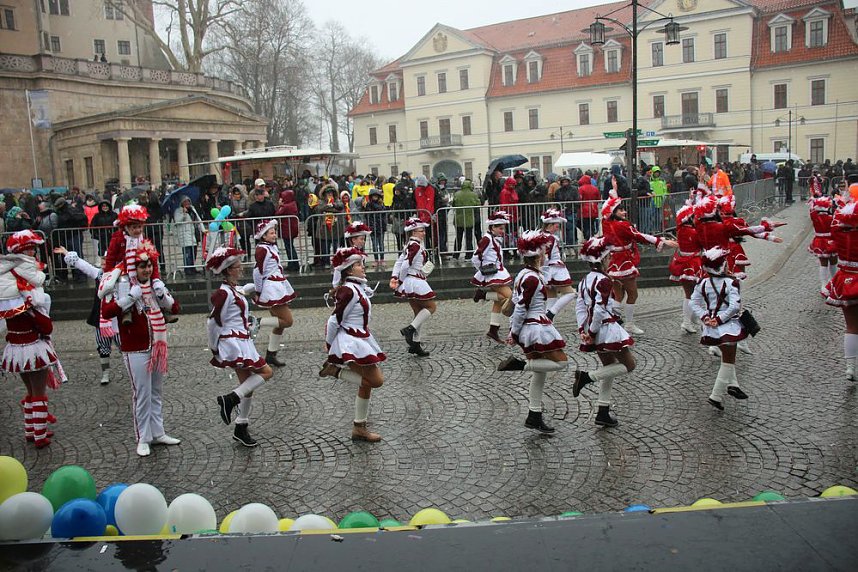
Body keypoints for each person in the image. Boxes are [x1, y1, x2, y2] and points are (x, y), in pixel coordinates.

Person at [102, 242, 181, 456]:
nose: (146, 270)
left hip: (158, 344)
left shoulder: (156, 284)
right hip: (135, 348)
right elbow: (107, 310)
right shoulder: (123, 285)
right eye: (141, 266)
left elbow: (174, 308)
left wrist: (163, 295)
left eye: (148, 266)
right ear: (133, 268)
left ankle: (158, 432)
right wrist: (129, 298)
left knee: (156, 391)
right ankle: (142, 437)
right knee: (142, 393)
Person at [496, 230, 567, 434]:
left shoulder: (526, 274)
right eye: (543, 252)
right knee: (561, 362)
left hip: (533, 325)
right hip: (535, 327)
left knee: (540, 372)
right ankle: (519, 365)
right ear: (537, 255)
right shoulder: (532, 278)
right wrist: (514, 332)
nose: (546, 254)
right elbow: (521, 307)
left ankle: (534, 415)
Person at [0, 230, 63, 448]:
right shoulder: (27, 293)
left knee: (29, 391)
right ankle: (39, 435)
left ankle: (30, 429)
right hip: (33, 347)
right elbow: (44, 325)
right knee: (38, 392)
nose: (34, 253)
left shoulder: (7, 290)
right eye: (31, 250)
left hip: (15, 348)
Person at [207, 246, 274, 447]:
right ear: (228, 270)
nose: (241, 268)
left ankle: (241, 426)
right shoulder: (223, 293)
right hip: (234, 342)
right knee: (266, 372)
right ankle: (230, 399)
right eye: (237, 266)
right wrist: (214, 348)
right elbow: (213, 322)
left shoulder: (232, 289)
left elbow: (241, 290)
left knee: (248, 385)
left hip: (241, 340)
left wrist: (256, 286)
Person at [318, 247, 386, 442]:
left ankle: (359, 427)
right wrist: (330, 346)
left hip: (360, 338)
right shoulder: (349, 289)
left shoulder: (356, 287)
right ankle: (335, 371)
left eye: (362, 263)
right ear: (348, 269)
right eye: (358, 264)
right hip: (350, 341)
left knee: (367, 384)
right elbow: (334, 320)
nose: (362, 267)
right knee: (375, 381)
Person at [571, 236, 636, 427]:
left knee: (610, 368)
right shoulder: (604, 280)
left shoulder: (584, 280)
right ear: (604, 259)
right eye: (609, 257)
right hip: (605, 329)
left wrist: (583, 329)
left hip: (595, 329)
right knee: (629, 365)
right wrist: (590, 332)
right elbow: (599, 309)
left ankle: (603, 410)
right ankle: (586, 377)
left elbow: (580, 307)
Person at [601, 185, 678, 335]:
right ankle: (627, 324)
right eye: (620, 210)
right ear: (614, 213)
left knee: (619, 295)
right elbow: (639, 236)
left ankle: (611, 319)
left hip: (613, 262)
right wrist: (661, 241)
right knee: (633, 294)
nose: (624, 212)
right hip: (624, 262)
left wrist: (614, 191)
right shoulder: (622, 225)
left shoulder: (607, 224)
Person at [690, 247, 749, 410]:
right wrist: (719, 319)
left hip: (711, 327)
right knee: (728, 361)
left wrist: (705, 317)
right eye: (725, 262)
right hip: (728, 326)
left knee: (727, 356)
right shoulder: (732, 282)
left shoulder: (703, 283)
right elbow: (734, 307)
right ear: (722, 266)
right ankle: (715, 396)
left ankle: (734, 385)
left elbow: (693, 302)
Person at [823, 184, 858, 380]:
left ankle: (850, 367)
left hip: (846, 278)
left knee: (851, 326)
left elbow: (834, 227)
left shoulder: (840, 229)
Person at [251, 219, 297, 367]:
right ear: (263, 236)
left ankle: (271, 354)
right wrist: (258, 291)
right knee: (287, 321)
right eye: (271, 233)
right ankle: (257, 322)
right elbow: (258, 272)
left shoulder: (270, 247)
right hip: (272, 288)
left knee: (280, 324)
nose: (274, 235)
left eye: (274, 232)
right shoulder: (262, 249)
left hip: (277, 285)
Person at [391, 216, 436, 357]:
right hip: (415, 280)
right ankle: (410, 330)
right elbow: (404, 264)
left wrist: (395, 277)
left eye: (423, 230)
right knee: (431, 307)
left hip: (412, 280)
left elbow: (399, 262)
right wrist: (400, 279)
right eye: (421, 231)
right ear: (413, 232)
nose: (423, 233)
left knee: (418, 312)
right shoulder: (415, 245)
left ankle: (416, 343)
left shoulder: (411, 244)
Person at [471, 210, 513, 343]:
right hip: (492, 274)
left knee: (499, 300)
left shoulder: (492, 239)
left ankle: (493, 330)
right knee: (510, 297)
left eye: (503, 228)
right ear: (492, 227)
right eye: (500, 228)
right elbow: (476, 257)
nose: (502, 230)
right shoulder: (487, 239)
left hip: (497, 272)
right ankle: (482, 295)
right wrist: (482, 270)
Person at [668, 202, 703, 333]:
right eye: (694, 216)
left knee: (694, 293)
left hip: (683, 263)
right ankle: (687, 321)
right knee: (691, 294)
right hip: (692, 264)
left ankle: (692, 318)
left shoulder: (681, 230)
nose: (696, 218)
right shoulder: (692, 231)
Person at [538, 209, 577, 321]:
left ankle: (547, 321)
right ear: (550, 224)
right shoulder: (550, 237)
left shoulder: (543, 235)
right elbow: (545, 255)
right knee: (570, 293)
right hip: (554, 268)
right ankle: (551, 314)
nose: (558, 228)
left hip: (547, 269)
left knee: (552, 295)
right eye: (556, 225)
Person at [808, 195, 838, 293]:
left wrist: (812, 201)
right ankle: (834, 282)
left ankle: (824, 284)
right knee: (833, 262)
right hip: (831, 241)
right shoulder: (832, 217)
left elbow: (811, 211)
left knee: (823, 263)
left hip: (820, 241)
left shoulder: (815, 217)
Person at [452, 179, 480, 259]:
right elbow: (477, 204)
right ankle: (469, 255)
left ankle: (456, 254)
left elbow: (453, 205)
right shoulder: (473, 194)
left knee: (458, 238)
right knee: (468, 238)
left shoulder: (457, 194)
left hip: (458, 219)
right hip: (469, 219)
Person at [275, 188, 300, 272]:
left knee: (289, 247)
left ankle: (294, 264)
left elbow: (277, 213)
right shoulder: (293, 204)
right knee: (290, 246)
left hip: (287, 229)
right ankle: (292, 263)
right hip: (291, 229)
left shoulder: (285, 206)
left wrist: (280, 205)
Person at [361, 189, 387, 270]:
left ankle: (382, 259)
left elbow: (383, 214)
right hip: (372, 227)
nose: (375, 198)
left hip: (380, 227)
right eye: (373, 196)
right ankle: (376, 259)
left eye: (376, 196)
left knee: (381, 244)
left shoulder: (381, 204)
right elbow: (367, 215)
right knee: (374, 245)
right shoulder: (369, 205)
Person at [173, 196, 199, 275]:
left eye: (188, 201)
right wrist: (184, 214)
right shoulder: (178, 211)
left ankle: (193, 268)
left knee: (193, 252)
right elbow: (177, 221)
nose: (187, 203)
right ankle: (188, 269)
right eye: (185, 202)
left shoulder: (192, 209)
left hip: (192, 234)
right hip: (184, 234)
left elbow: (197, 218)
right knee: (187, 253)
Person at [578, 174, 601, 240]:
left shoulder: (581, 189)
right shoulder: (595, 188)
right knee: (591, 224)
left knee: (585, 225)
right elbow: (598, 199)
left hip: (584, 210)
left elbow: (579, 199)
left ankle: (587, 238)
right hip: (593, 209)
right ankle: (592, 237)